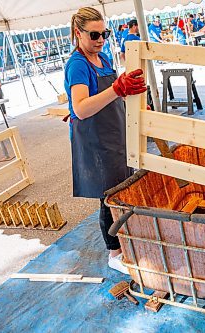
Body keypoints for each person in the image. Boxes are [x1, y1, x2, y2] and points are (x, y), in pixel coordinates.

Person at [65, 7, 147, 275]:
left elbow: (103, 97)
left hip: (114, 133)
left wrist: (128, 95)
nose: (101, 39)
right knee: (109, 198)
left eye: (105, 33)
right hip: (97, 142)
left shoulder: (103, 57)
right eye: (94, 34)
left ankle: (126, 241)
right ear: (79, 33)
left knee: (123, 191)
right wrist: (116, 89)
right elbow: (81, 109)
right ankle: (114, 253)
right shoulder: (78, 64)